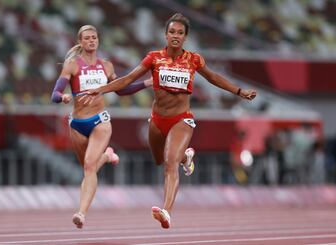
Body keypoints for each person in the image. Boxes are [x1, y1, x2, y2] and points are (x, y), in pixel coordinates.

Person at [81, 13, 257, 229]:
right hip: (157, 119)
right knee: (158, 159)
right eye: (172, 32)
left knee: (169, 162)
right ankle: (187, 156)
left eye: (180, 33)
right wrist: (100, 89)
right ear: (165, 35)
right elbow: (127, 80)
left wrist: (239, 91)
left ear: (185, 37)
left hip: (181, 119)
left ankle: (166, 211)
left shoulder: (193, 60)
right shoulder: (154, 58)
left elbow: (213, 78)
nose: (175, 36)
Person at [51, 25, 151, 229]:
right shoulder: (71, 65)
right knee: (89, 170)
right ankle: (106, 156)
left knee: (89, 165)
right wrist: (64, 97)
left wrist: (147, 83)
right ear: (80, 42)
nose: (91, 41)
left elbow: (122, 91)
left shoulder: (107, 66)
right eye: (87, 38)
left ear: (98, 40)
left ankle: (81, 213)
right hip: (77, 123)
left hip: (100, 121)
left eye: (94, 38)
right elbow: (54, 94)